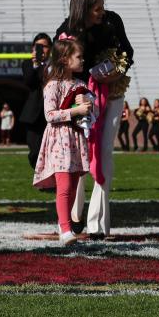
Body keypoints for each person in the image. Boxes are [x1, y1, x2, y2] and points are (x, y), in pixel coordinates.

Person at [56, 0, 133, 239]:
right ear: (84, 9)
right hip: (80, 98)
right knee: (78, 152)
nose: (102, 12)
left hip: (112, 94)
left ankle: (98, 223)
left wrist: (116, 71)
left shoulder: (112, 22)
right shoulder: (67, 30)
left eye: (102, 6)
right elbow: (60, 65)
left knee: (104, 152)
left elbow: (128, 53)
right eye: (97, 8)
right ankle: (73, 217)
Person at [32, 36, 93, 246]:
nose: (82, 60)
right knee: (64, 185)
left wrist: (88, 106)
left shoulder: (80, 84)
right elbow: (50, 115)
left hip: (75, 139)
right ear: (65, 59)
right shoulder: (53, 85)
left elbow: (89, 114)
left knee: (74, 185)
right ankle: (66, 230)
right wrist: (75, 110)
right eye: (79, 56)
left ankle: (63, 223)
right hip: (59, 140)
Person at [20, 33, 52, 168]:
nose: (41, 50)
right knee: (35, 151)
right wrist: (36, 64)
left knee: (51, 150)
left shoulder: (57, 65)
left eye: (44, 46)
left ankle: (49, 182)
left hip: (52, 113)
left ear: (50, 48)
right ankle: (40, 173)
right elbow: (29, 82)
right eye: (38, 46)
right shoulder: (28, 64)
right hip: (34, 114)